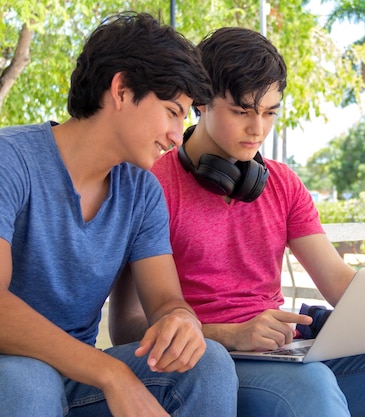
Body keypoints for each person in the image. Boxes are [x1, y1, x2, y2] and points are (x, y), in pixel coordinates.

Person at [109, 26, 365, 417]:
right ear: (202, 102)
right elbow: (127, 329)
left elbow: (339, 284)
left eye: (269, 112)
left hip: (285, 355)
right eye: (242, 111)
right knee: (311, 388)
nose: (257, 129)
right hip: (212, 365)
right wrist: (232, 336)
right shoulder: (150, 183)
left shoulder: (282, 184)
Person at [0, 12, 238, 417]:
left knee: (209, 364)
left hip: (79, 379)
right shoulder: (11, 159)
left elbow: (165, 300)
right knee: (30, 383)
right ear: (122, 90)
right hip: (12, 370)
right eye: (172, 111)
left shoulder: (142, 191)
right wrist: (112, 373)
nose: (177, 136)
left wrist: (180, 322)